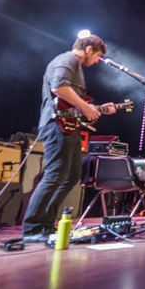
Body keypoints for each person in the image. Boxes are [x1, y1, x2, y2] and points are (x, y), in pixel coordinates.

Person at [23, 35, 117, 242]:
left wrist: (96, 109)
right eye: (97, 57)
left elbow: (70, 103)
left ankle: (46, 225)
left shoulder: (74, 64)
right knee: (54, 176)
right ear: (89, 49)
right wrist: (86, 107)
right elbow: (59, 88)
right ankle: (32, 229)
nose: (95, 62)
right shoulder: (68, 59)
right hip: (55, 125)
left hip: (68, 126)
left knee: (72, 177)